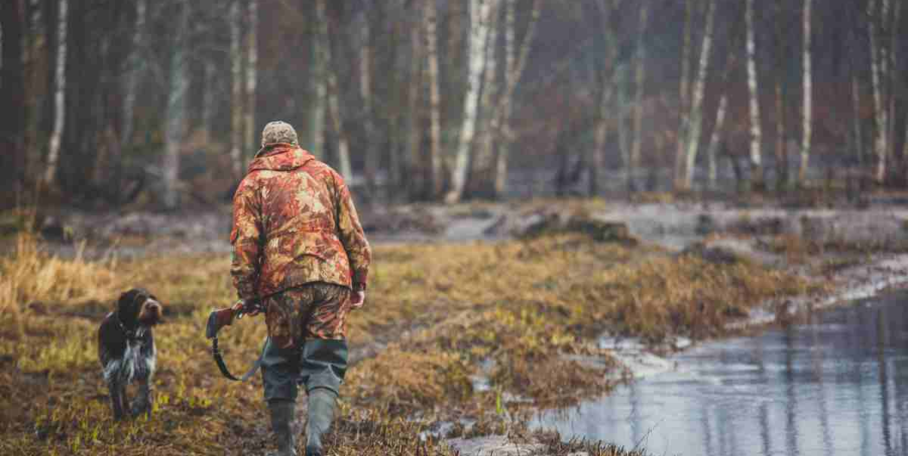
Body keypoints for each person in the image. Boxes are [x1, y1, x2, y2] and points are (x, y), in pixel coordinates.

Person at [230, 121, 372, 456]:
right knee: (325, 360)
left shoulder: (252, 184)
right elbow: (354, 233)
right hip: (332, 278)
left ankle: (285, 448)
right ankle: (315, 440)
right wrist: (359, 281)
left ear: (264, 147)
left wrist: (247, 294)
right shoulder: (327, 174)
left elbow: (245, 245)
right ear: (295, 144)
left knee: (280, 361)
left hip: (282, 283)